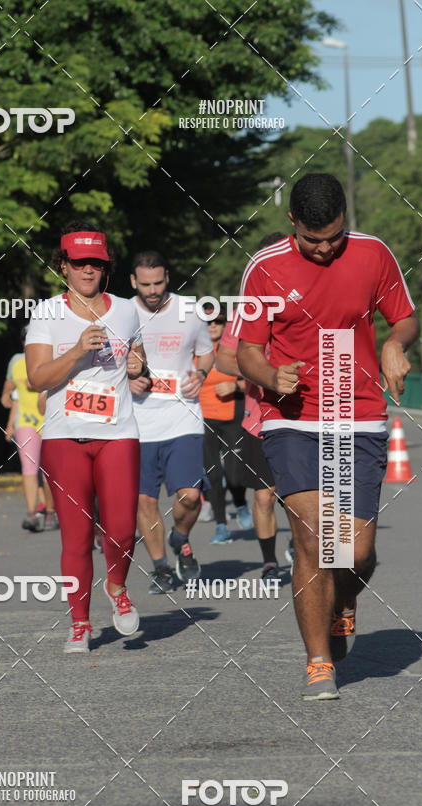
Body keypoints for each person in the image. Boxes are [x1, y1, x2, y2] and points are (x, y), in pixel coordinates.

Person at [235, 173, 419, 700]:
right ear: (291, 222)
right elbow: (247, 348)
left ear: (346, 222)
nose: (324, 249)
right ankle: (319, 661)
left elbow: (404, 319)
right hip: (292, 418)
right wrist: (271, 376)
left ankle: (343, 599)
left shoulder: (372, 255)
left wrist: (393, 343)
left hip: (356, 414)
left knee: (356, 553)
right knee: (314, 539)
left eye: (334, 237)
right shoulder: (265, 268)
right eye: (313, 239)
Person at [25, 221, 147, 652]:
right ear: (64, 266)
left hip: (118, 433)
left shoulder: (127, 310)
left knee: (122, 529)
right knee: (75, 536)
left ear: (106, 266)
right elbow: (38, 378)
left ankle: (117, 587)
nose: (88, 271)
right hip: (63, 436)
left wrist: (138, 370)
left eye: (96, 262)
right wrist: (77, 350)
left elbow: (138, 359)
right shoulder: (46, 314)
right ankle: (80, 623)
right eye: (79, 263)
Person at [128, 251, 214, 594]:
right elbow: (107, 361)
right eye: (145, 284)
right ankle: (161, 567)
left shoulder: (190, 311)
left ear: (168, 279)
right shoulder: (120, 313)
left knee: (191, 496)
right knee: (144, 500)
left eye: (159, 283)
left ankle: (181, 537)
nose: (152, 290)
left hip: (184, 416)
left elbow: (206, 350)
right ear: (133, 281)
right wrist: (126, 378)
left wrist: (202, 373)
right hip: (136, 421)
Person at [216, 233, 288, 583]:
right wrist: (262, 371)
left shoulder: (307, 303)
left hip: (307, 419)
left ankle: (311, 552)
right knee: (264, 498)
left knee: (305, 501)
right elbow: (225, 359)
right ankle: (271, 561)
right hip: (260, 420)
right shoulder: (249, 309)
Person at [198, 305, 251, 544]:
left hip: (232, 418)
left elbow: (254, 379)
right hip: (203, 421)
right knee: (213, 475)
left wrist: (235, 386)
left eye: (217, 322)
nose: (212, 327)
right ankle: (221, 525)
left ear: (225, 325)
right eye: (207, 322)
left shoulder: (234, 351)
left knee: (234, 474)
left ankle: (240, 503)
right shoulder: (194, 351)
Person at [1, 326, 58, 532]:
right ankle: (32, 513)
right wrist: (6, 396)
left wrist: (38, 381)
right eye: (26, 340)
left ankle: (51, 512)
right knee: (29, 468)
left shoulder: (50, 356)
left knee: (48, 471)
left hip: (49, 420)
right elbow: (8, 388)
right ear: (23, 342)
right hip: (25, 421)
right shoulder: (15, 361)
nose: (29, 343)